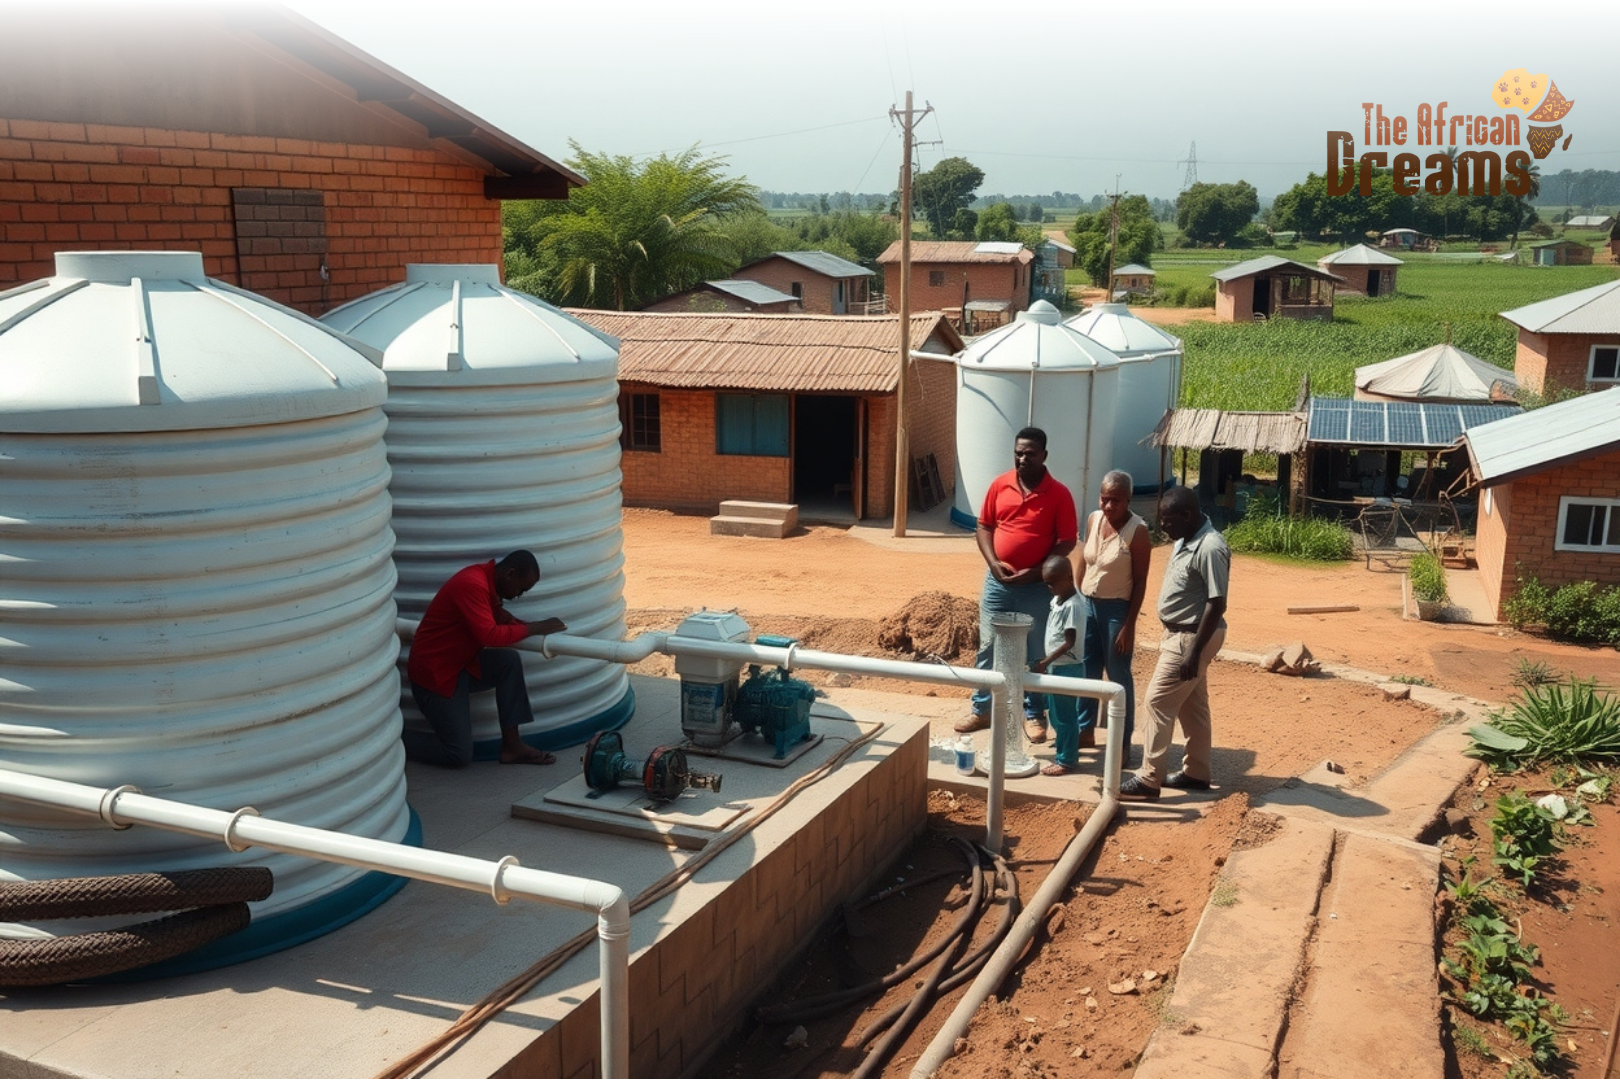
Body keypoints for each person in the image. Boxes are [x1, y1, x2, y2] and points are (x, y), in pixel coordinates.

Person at [954, 427, 1077, 742]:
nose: (1022, 458)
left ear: (1044, 456)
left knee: (1036, 652)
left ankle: (1034, 715)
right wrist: (993, 563)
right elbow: (984, 527)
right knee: (987, 648)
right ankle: (983, 710)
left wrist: (1037, 572)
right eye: (1018, 453)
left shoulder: (1059, 494)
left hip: (1039, 588)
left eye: (1030, 453)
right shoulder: (1000, 485)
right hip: (998, 585)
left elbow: (1066, 542)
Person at [405, 550, 567, 768]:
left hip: (461, 665)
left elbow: (499, 618)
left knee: (508, 662)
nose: (520, 595)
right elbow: (489, 635)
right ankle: (396, 739)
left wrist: (528, 626)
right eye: (522, 589)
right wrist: (535, 627)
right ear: (510, 574)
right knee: (458, 756)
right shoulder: (472, 584)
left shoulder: (486, 582)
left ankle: (512, 745)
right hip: (436, 677)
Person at [1119, 486, 1230, 801]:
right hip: (1182, 634)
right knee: (1193, 707)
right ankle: (1196, 773)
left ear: (1187, 515)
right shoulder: (1185, 537)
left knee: (1156, 703)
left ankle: (1148, 779)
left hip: (1191, 637)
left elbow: (1216, 602)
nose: (1162, 526)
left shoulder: (1210, 547)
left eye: (1166, 520)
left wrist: (1193, 651)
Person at [1071, 470, 1150, 759]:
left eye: (1115, 501)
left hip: (1117, 610)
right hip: (1088, 606)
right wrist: (1077, 599)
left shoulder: (1138, 532)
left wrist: (1129, 625)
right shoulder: (1094, 520)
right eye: (1104, 499)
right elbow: (1083, 562)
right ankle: (1085, 729)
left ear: (1128, 499)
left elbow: (1141, 581)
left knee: (1117, 675)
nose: (1108, 506)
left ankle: (1123, 742)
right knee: (1087, 670)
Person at [1032, 555, 1086, 775]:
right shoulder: (1057, 600)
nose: (1049, 587)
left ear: (1069, 577)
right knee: (1055, 713)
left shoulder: (1073, 605)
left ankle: (1067, 760)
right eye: (1046, 583)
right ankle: (1064, 745)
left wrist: (1046, 661)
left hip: (1067, 668)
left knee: (1065, 716)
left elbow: (1069, 642)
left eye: (1053, 582)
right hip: (1056, 666)